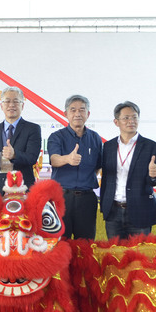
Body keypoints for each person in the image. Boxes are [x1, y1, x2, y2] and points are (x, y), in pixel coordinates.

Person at [99, 101, 156, 240]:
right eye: (126, 118)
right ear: (116, 122)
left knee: (139, 257)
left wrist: (153, 175)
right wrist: (105, 207)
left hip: (140, 210)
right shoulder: (108, 147)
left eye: (134, 117)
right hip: (113, 210)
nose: (131, 121)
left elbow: (154, 181)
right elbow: (105, 179)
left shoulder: (152, 146)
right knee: (115, 256)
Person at [47, 95, 103, 240]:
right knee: (60, 243)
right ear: (65, 114)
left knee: (86, 244)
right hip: (62, 198)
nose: (77, 114)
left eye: (82, 110)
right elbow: (54, 160)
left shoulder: (95, 138)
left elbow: (97, 167)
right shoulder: (56, 137)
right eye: (73, 110)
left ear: (88, 114)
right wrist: (68, 159)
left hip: (87, 199)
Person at [0, 86, 42, 192]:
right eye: (7, 101)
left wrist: (15, 155)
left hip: (22, 186)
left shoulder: (32, 129)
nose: (11, 105)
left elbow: (32, 157)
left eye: (16, 101)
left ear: (22, 106)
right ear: (1, 106)